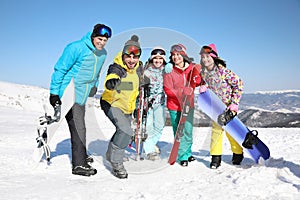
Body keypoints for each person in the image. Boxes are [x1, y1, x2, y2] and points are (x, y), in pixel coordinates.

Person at [49, 24, 112, 176]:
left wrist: (95, 87)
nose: (102, 42)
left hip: (82, 96)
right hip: (68, 93)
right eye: (99, 39)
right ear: (92, 36)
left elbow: (96, 74)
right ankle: (79, 165)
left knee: (81, 126)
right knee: (79, 128)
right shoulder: (75, 47)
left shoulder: (103, 53)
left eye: (105, 40)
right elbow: (60, 69)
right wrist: (54, 93)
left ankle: (81, 155)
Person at [100, 35, 143, 179]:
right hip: (111, 103)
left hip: (127, 106)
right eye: (128, 57)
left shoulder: (138, 69)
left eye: (134, 57)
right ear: (123, 56)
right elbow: (113, 74)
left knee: (122, 130)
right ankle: (116, 162)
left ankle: (110, 154)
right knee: (125, 131)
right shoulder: (117, 66)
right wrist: (111, 81)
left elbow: (139, 81)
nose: (131, 60)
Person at [199, 43, 244, 169]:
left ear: (214, 57)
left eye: (208, 57)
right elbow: (208, 83)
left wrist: (234, 103)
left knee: (231, 132)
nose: (205, 59)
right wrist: (205, 86)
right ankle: (216, 157)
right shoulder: (204, 73)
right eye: (203, 57)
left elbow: (239, 84)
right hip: (216, 107)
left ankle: (238, 153)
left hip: (229, 107)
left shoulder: (223, 71)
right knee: (216, 131)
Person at [163, 44, 202, 167]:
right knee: (179, 131)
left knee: (188, 130)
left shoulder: (191, 68)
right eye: (173, 55)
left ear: (184, 55)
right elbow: (168, 89)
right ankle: (182, 155)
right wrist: (182, 92)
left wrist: (198, 80)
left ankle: (188, 152)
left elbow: (197, 80)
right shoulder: (169, 70)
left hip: (188, 105)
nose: (175, 57)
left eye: (178, 55)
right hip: (174, 105)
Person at [142, 47, 167, 160]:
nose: (158, 60)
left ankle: (151, 144)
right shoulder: (146, 72)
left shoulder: (165, 71)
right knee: (149, 127)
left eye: (160, 58)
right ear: (152, 59)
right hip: (148, 104)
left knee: (160, 126)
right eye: (155, 58)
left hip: (160, 103)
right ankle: (149, 150)